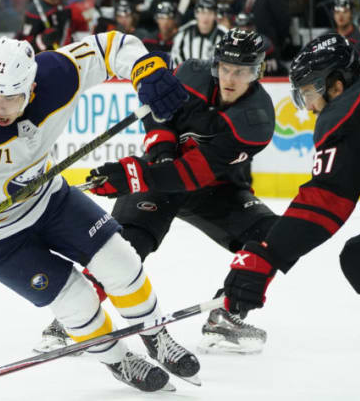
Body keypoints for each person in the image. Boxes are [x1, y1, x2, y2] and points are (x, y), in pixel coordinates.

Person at [0, 33, 201, 392]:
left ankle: (155, 335)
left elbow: (111, 47)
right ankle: (118, 360)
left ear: (32, 87)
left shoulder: (58, 75)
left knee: (121, 261)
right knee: (77, 301)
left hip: (50, 199)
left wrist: (144, 67)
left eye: (10, 98)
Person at [220, 33, 360, 401]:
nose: (308, 106)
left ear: (335, 84)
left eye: (309, 93)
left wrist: (265, 255)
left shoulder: (347, 112)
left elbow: (325, 202)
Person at [83, 28, 277, 355]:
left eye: (242, 71)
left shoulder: (256, 119)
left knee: (275, 235)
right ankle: (78, 314)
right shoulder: (189, 74)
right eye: (226, 68)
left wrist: (134, 175)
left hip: (217, 190)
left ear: (258, 71)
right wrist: (160, 154)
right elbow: (158, 113)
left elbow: (193, 174)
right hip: (164, 172)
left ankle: (227, 314)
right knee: (130, 241)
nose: (231, 79)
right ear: (215, 65)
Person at [170, 0, 227, 67]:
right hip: (186, 76)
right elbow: (175, 61)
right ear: (196, 13)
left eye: (210, 12)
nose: (206, 17)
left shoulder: (225, 36)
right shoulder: (183, 33)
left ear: (215, 15)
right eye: (202, 12)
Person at [234, 12, 287, 76]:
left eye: (248, 25)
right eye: (241, 26)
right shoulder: (231, 41)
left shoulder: (262, 39)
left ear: (253, 26)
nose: (244, 29)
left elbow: (268, 48)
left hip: (262, 74)